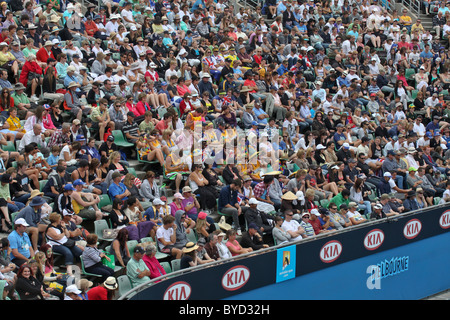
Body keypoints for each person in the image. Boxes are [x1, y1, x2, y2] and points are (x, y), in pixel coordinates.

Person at [45, 212, 83, 276]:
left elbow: (67, 235)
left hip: (66, 243)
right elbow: (57, 237)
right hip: (55, 245)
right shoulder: (50, 229)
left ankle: (78, 268)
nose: (61, 220)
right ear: (56, 220)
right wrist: (63, 233)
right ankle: (69, 272)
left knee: (78, 251)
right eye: (59, 219)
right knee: (68, 253)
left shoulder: (60, 226)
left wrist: (64, 228)